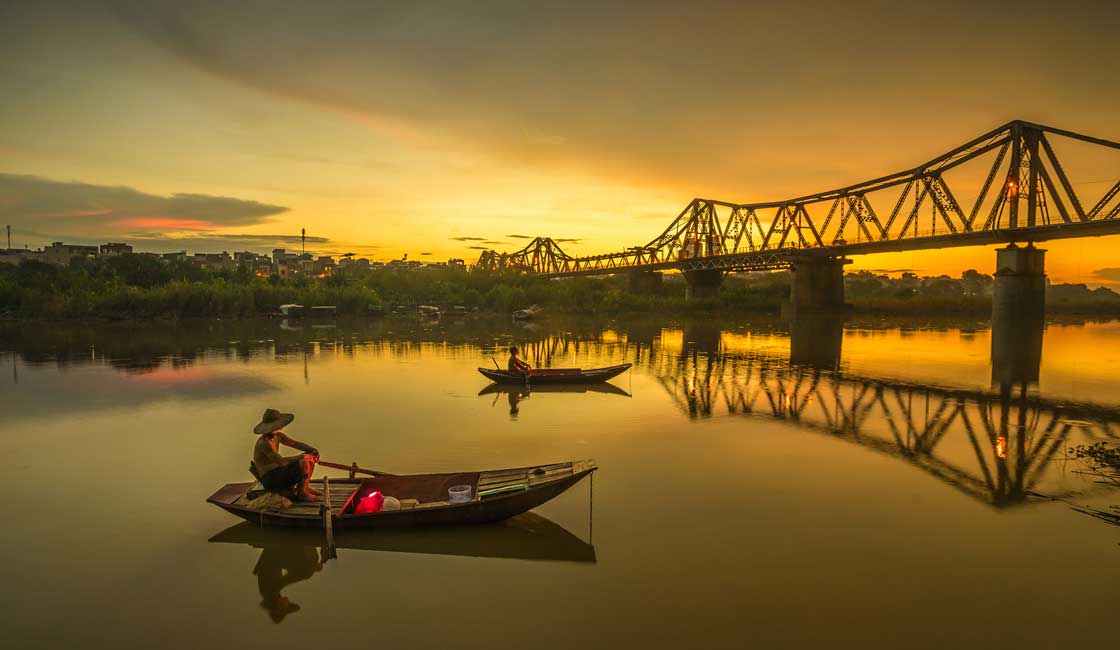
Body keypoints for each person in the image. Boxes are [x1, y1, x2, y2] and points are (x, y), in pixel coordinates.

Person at [252, 408, 321, 502]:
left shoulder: (278, 436)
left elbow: (295, 444)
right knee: (303, 462)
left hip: (278, 470)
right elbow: (281, 462)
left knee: (309, 458)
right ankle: (302, 494)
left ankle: (305, 487)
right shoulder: (264, 443)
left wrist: (311, 450)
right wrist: (301, 456)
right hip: (270, 478)